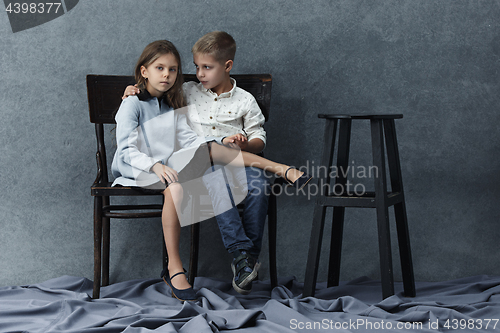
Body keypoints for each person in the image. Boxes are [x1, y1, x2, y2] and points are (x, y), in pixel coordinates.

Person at [114, 40, 311, 302]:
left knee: (205, 153)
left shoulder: (172, 102)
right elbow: (126, 149)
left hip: (170, 164)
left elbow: (190, 140)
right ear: (144, 71)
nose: (167, 75)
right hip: (138, 167)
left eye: (172, 70)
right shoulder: (134, 102)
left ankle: (242, 258)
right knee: (180, 185)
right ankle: (174, 268)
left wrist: (217, 146)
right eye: (160, 68)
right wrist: (155, 164)